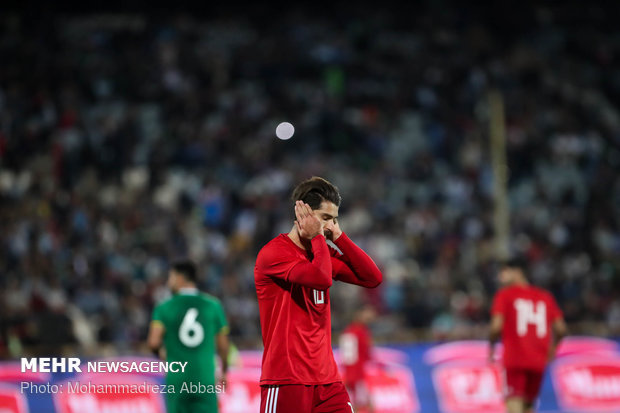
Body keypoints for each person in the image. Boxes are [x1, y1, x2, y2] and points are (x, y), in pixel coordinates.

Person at [254, 176, 383, 413]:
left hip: (328, 381)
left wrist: (340, 238)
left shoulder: (322, 254)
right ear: (303, 215)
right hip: (286, 379)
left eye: (334, 219)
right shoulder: (274, 254)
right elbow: (321, 279)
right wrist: (318, 239)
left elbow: (372, 278)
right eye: (325, 218)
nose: (330, 226)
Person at [148, 260, 230, 413]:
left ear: (180, 278)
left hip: (177, 381)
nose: (168, 282)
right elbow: (224, 346)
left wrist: (162, 354)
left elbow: (153, 342)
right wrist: (224, 371)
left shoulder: (163, 307)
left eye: (171, 277)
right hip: (204, 378)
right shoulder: (213, 305)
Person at [489, 258, 568, 413]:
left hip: (515, 360)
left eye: (504, 272)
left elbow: (495, 326)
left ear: (517, 271)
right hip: (538, 361)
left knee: (514, 406)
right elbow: (561, 329)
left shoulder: (505, 295)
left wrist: (491, 346)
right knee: (528, 407)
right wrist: (553, 349)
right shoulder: (545, 297)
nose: (500, 277)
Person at [339, 305, 377, 413]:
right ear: (358, 314)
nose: (370, 316)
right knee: (360, 401)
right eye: (366, 313)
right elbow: (350, 357)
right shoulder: (355, 332)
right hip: (357, 373)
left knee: (357, 400)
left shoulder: (355, 331)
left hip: (356, 372)